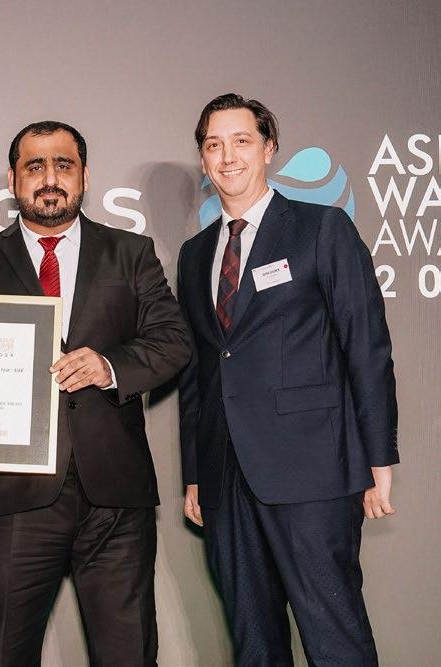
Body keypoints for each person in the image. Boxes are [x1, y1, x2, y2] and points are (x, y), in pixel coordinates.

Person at [0, 121, 191, 666]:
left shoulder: (130, 252)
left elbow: (173, 341)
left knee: (129, 655)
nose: (50, 178)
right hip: (11, 498)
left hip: (114, 497)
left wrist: (109, 365)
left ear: (84, 176)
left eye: (64, 165)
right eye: (35, 166)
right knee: (2, 657)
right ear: (13, 178)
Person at [176, 93, 399, 666]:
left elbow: (366, 345)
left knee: (334, 637)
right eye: (214, 145)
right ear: (202, 159)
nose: (228, 157)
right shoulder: (194, 254)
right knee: (254, 642)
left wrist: (378, 457)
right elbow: (198, 370)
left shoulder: (321, 228)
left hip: (313, 468)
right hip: (225, 475)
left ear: (269, 148)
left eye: (242, 141)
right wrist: (196, 472)